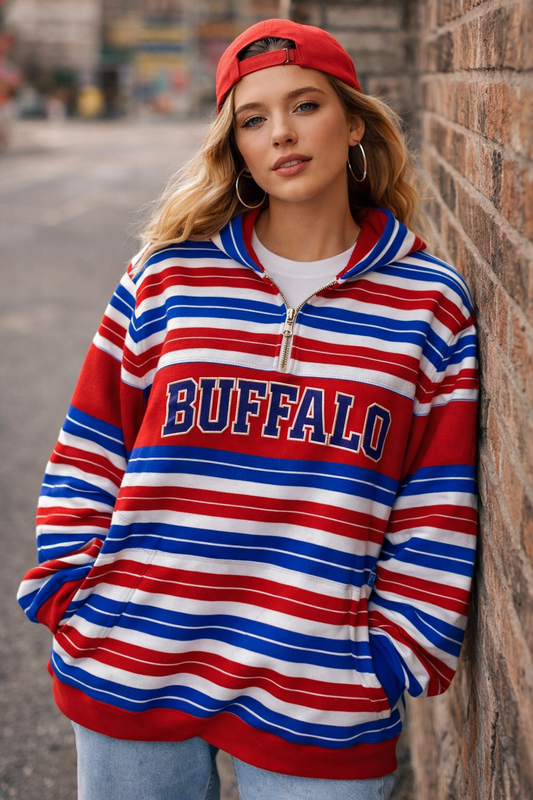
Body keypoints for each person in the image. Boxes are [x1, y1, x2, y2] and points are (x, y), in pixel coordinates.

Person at [17, 18, 478, 800]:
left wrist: (395, 652)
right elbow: (92, 443)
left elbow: (435, 499)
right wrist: (71, 589)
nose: (281, 135)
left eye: (304, 106)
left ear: (353, 122)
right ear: (235, 147)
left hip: (318, 686)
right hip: (132, 652)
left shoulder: (427, 302)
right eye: (253, 120)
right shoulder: (167, 278)